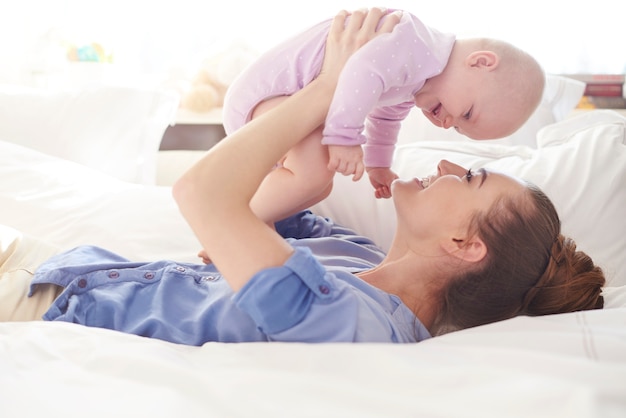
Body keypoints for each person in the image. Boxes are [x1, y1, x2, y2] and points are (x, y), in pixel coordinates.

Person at [0, 9, 604, 344]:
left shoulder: (352, 322)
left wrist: (329, 86)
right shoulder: (350, 251)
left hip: (39, 309)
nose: (445, 162)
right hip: (58, 265)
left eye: (470, 177)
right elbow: (250, 201)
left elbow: (204, 192)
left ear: (464, 246)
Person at [221, 7, 545, 233]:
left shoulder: (416, 80)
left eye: (459, 128)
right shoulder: (415, 43)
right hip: (268, 97)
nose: (448, 124)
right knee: (312, 174)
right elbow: (361, 73)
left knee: (319, 187)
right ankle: (233, 226)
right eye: (467, 113)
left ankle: (256, 220)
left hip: (283, 108)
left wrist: (378, 163)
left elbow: (386, 116)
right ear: (480, 62)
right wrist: (344, 138)